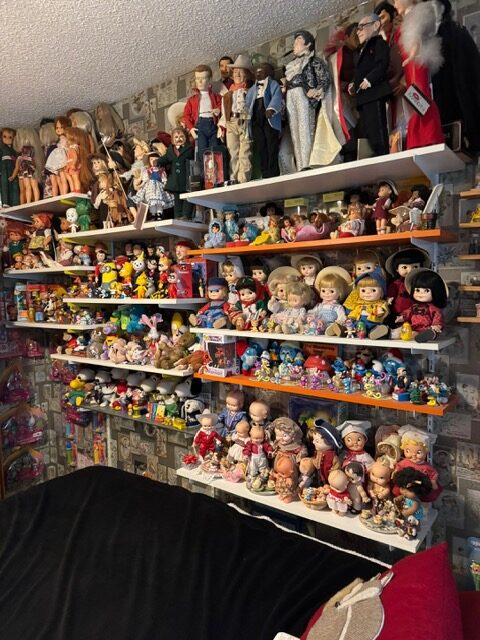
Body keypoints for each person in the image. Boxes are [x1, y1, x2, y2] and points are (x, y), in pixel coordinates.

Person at [284, 30, 330, 171]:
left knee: (305, 129)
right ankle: (300, 165)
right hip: (290, 95)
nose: (295, 44)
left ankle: (307, 164)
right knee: (294, 131)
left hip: (302, 94)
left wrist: (316, 90)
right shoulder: (291, 64)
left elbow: (324, 79)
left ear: (308, 44)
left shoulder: (313, 61)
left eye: (298, 40)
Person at [349, 14, 391, 156]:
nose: (358, 31)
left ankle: (382, 152)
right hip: (364, 97)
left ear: (375, 25)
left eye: (362, 27)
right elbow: (360, 71)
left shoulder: (379, 44)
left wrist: (369, 80)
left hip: (375, 93)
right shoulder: (362, 50)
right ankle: (375, 151)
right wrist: (353, 83)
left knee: (377, 126)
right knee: (368, 128)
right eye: (357, 28)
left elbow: (382, 64)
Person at [245, 62, 283, 178]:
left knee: (271, 143)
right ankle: (265, 172)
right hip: (256, 118)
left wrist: (271, 108)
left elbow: (277, 97)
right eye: (256, 72)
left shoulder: (272, 84)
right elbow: (247, 104)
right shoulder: (252, 89)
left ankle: (273, 171)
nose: (258, 74)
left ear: (268, 72)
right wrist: (246, 118)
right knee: (261, 145)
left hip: (268, 117)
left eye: (261, 71)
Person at [183, 65, 223, 167]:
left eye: (203, 78)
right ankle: (204, 173)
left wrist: (218, 110)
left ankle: (217, 171)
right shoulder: (192, 100)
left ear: (209, 80)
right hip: (200, 126)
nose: (200, 81)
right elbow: (186, 115)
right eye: (197, 78)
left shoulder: (216, 97)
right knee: (202, 151)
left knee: (215, 149)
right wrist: (191, 128)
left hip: (213, 125)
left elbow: (222, 106)